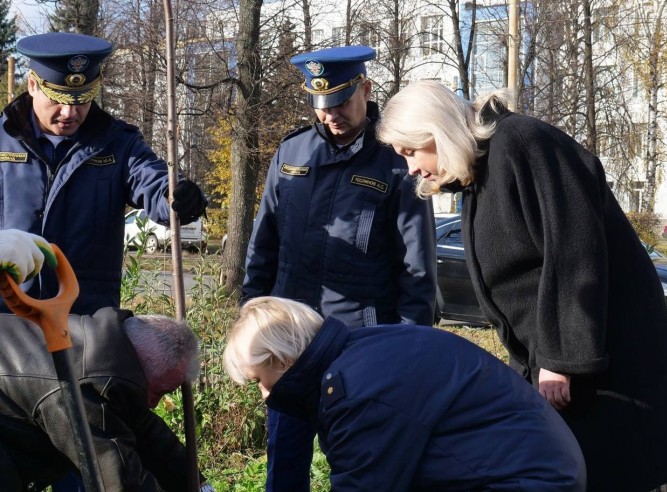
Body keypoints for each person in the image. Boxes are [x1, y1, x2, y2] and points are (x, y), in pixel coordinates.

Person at [376, 80, 667, 491]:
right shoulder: (483, 171)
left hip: (609, 370)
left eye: (410, 151)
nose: (411, 168)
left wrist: (562, 358)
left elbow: (574, 251)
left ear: (437, 130)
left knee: (634, 471)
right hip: (565, 371)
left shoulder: (523, 143)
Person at [241, 46, 437, 491]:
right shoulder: (292, 153)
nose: (330, 114)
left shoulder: (396, 161)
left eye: (341, 102)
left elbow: (417, 271)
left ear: (365, 90)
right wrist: (251, 325)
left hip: (359, 346)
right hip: (289, 347)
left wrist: (408, 350)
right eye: (320, 103)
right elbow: (263, 248)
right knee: (284, 465)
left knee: (360, 468)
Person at [223, 296, 587, 491]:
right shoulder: (362, 352)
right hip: (536, 472)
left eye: (259, 379)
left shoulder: (354, 394)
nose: (263, 396)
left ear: (284, 360)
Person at [0, 32, 207, 315]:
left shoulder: (117, 143)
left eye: (82, 99)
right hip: (6, 320)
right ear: (33, 85)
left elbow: (151, 179)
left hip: (85, 324)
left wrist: (176, 195)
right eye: (59, 98)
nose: (69, 112)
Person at [0, 306, 214, 491]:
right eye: (158, 391)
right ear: (145, 362)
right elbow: (117, 482)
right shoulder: (86, 387)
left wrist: (202, 487)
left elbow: (150, 437)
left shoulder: (113, 352)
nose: (153, 404)